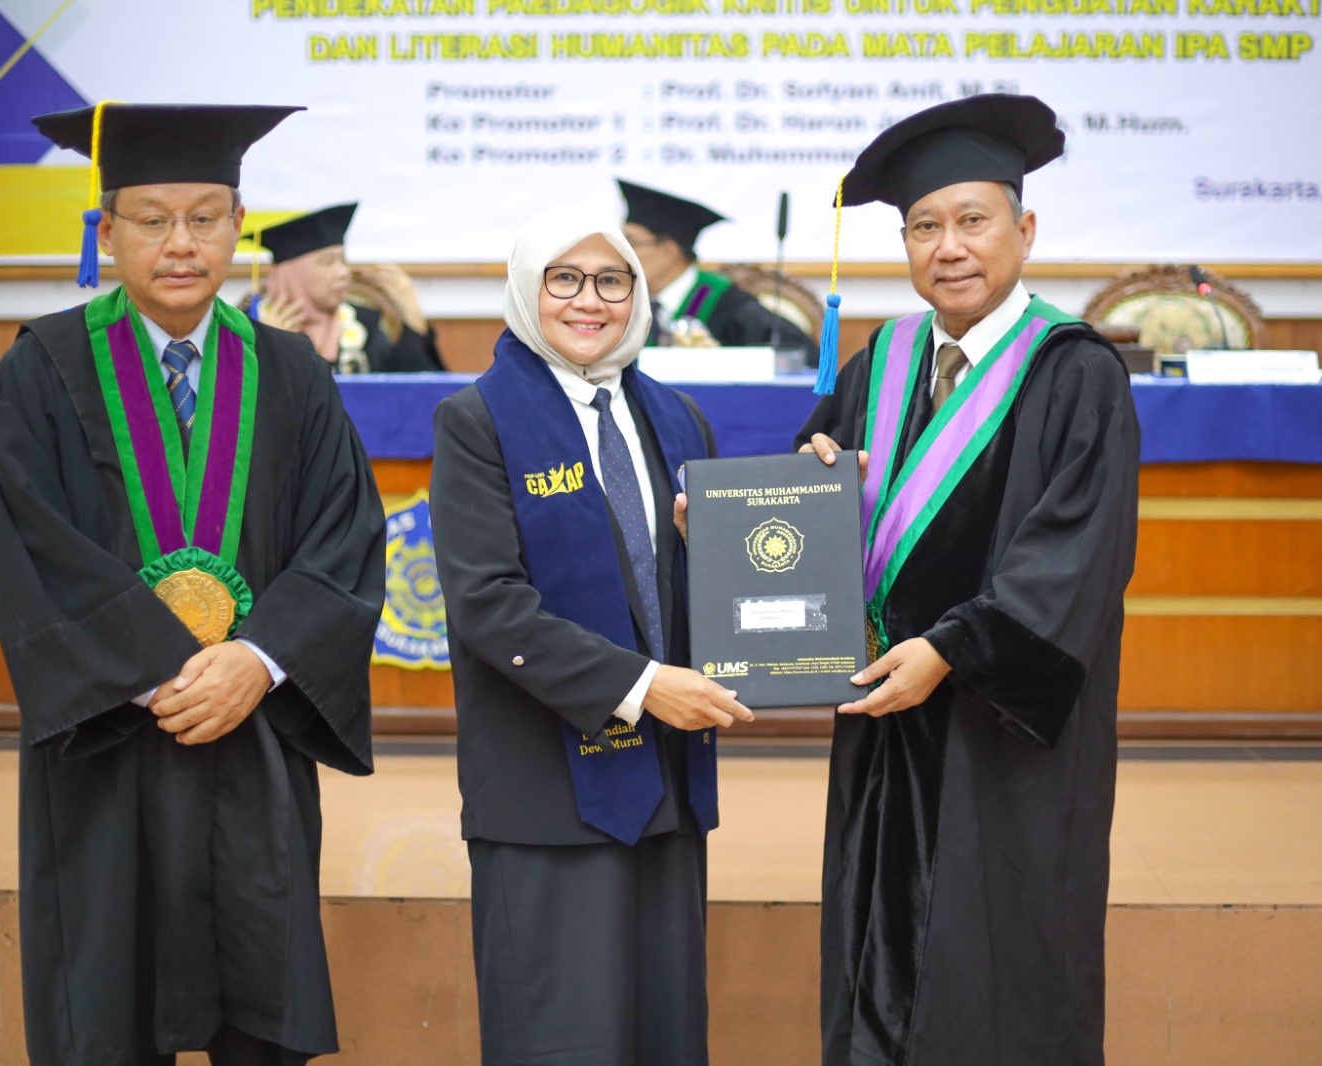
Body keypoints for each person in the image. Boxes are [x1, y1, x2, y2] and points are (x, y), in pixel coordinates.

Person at [0, 102, 389, 1064]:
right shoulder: (40, 371)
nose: (180, 244)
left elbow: (343, 534)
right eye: (152, 219)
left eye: (204, 217)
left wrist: (259, 658)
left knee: (259, 986)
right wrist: (160, 669)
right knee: (109, 1000)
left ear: (237, 226)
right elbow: (30, 544)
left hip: (253, 731)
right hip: (110, 736)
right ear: (106, 232)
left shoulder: (291, 372)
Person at [795, 94, 1141, 1065]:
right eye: (924, 227)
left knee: (998, 953)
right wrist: (755, 517)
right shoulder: (884, 358)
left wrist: (950, 650)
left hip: (1002, 732)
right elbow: (816, 488)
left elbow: (1074, 555)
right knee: (876, 939)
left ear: (1024, 232)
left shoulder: (1074, 371)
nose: (948, 248)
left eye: (972, 220)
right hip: (885, 714)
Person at [430, 205, 756, 1065]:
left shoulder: (677, 417)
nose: (589, 300)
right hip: (545, 794)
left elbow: (701, 579)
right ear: (526, 290)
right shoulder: (477, 420)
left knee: (663, 1036)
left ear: (638, 294)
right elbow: (488, 604)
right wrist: (644, 687)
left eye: (612, 280)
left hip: (666, 789)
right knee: (561, 1040)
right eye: (564, 279)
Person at [618, 178, 820, 363]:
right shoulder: (622, 304)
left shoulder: (731, 307)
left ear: (668, 251)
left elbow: (802, 359)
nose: (622, 253)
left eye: (631, 243)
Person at [253, 202, 443, 374]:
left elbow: (411, 390)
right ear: (295, 274)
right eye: (329, 262)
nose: (344, 272)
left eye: (343, 260)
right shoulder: (252, 323)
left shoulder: (363, 323)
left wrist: (413, 317)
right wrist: (265, 347)